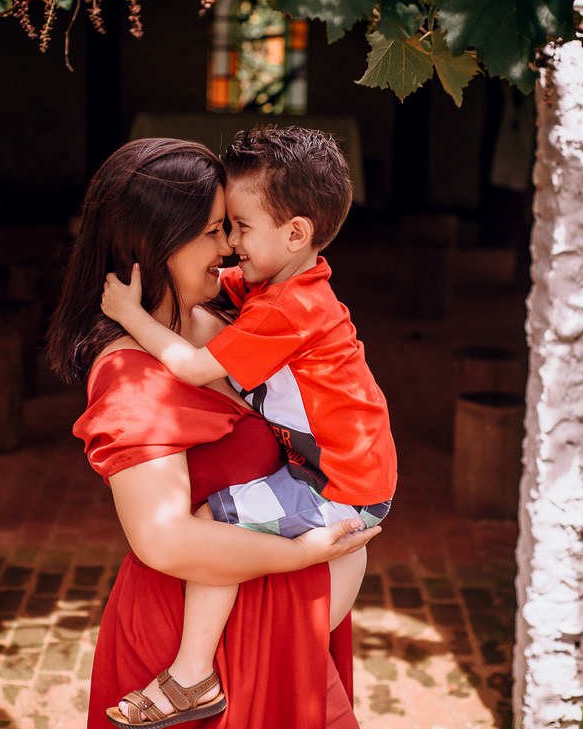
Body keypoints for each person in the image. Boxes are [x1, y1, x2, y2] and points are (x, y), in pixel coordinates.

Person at [46, 137, 379, 729]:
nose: (229, 245)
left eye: (235, 227)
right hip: (194, 647)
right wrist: (300, 555)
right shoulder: (130, 377)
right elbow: (164, 541)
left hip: (271, 634)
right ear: (158, 243)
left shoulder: (240, 312)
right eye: (214, 229)